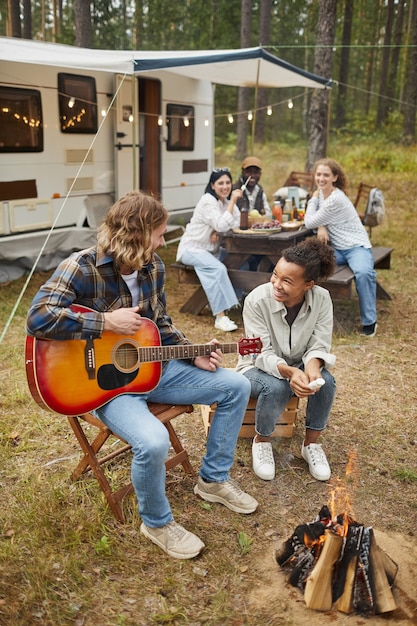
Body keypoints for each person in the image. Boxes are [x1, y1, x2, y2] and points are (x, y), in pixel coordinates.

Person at [26, 190, 258, 560]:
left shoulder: (154, 267)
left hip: (156, 369)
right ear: (135, 233)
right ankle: (156, 522)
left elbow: (160, 324)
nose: (164, 241)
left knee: (236, 384)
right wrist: (103, 321)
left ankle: (213, 481)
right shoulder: (81, 266)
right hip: (105, 387)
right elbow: (38, 318)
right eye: (160, 233)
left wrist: (192, 353)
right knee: (152, 442)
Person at [236, 238, 337, 483]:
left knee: (326, 383)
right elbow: (260, 353)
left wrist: (312, 369)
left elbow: (320, 344)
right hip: (256, 367)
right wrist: (289, 372)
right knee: (277, 386)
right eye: (275, 275)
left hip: (300, 363)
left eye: (287, 281)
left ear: (308, 285)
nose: (276, 284)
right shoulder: (257, 300)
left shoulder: (322, 298)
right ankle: (262, 441)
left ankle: (310, 445)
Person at [304, 158, 377, 337]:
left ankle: (370, 322)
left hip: (355, 247)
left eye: (326, 175)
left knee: (363, 273)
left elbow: (309, 221)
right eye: (318, 174)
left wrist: (312, 201)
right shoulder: (323, 193)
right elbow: (317, 222)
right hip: (336, 248)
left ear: (335, 177)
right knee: (309, 264)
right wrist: (322, 226)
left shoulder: (335, 198)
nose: (321, 179)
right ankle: (308, 315)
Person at [176, 168, 243, 332]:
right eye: (221, 183)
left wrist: (216, 230)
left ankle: (235, 302)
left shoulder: (224, 203)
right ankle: (220, 317)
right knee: (216, 268)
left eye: (228, 182)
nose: (225, 186)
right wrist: (233, 202)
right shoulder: (208, 201)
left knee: (242, 260)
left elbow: (237, 223)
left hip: (211, 250)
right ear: (212, 185)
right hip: (193, 249)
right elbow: (222, 224)